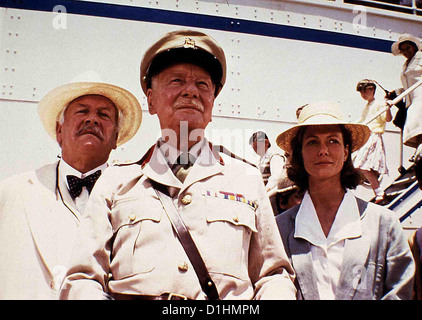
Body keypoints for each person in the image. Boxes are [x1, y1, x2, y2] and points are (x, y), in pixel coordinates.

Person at [60, 30, 296, 300]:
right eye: (177, 80)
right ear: (151, 100)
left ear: (212, 104)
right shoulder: (115, 183)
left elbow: (274, 276)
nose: (191, 91)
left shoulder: (246, 180)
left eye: (202, 85)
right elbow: (82, 280)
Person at [0, 81, 142, 299]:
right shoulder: (11, 192)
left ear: (115, 138)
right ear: (59, 131)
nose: (92, 119)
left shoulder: (136, 199)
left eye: (104, 115)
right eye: (82, 111)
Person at [275, 101, 415, 300]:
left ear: (346, 151)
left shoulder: (384, 225)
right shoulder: (280, 230)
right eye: (312, 142)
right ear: (300, 153)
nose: (323, 150)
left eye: (333, 141)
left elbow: (399, 293)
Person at [389, 34, 422, 188]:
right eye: (402, 50)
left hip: (421, 98)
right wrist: (396, 92)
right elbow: (409, 85)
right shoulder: (406, 64)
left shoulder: (421, 57)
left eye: (408, 48)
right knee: (417, 132)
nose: (406, 52)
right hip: (412, 101)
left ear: (414, 46)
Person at [353, 79, 392, 203]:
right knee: (360, 166)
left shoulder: (379, 103)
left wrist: (388, 108)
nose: (363, 94)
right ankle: (379, 193)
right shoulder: (367, 106)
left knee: (362, 166)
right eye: (361, 92)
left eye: (364, 91)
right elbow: (361, 121)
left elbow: (388, 119)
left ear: (371, 89)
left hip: (373, 136)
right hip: (366, 136)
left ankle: (380, 193)